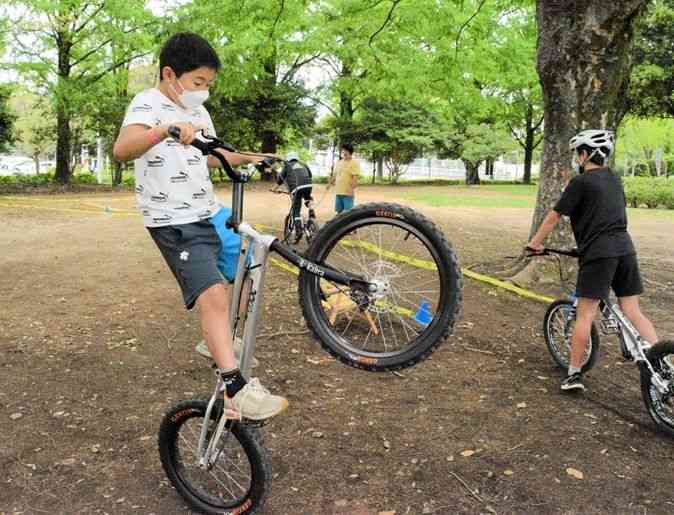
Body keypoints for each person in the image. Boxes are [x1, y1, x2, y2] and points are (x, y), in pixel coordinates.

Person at [112, 32, 288, 421]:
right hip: (172, 220)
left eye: (208, 84)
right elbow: (122, 150)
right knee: (213, 296)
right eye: (198, 83)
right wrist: (164, 130)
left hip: (208, 212)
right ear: (170, 74)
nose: (203, 91)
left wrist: (263, 157)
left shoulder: (199, 113)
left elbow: (212, 155)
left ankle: (220, 342)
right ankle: (235, 387)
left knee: (250, 266)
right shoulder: (147, 104)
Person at [527, 129, 658, 392]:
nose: (578, 158)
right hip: (625, 249)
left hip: (600, 253)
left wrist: (535, 244)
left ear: (585, 154)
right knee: (633, 310)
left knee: (585, 314)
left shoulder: (581, 182)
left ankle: (573, 374)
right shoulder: (614, 179)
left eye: (578, 153)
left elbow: (554, 216)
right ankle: (661, 360)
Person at [273, 151, 314, 238]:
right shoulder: (303, 164)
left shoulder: (287, 166)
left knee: (296, 210)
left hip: (296, 188)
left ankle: (298, 230)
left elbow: (280, 179)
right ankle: (311, 210)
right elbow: (310, 175)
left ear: (288, 159)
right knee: (307, 197)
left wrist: (274, 189)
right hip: (308, 185)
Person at [330, 143, 360, 213]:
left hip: (347, 193)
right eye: (343, 151)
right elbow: (335, 175)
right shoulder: (339, 162)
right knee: (339, 211)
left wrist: (352, 189)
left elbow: (355, 178)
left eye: (345, 151)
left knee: (348, 213)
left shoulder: (354, 163)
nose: (343, 152)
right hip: (338, 192)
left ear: (350, 152)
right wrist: (329, 183)